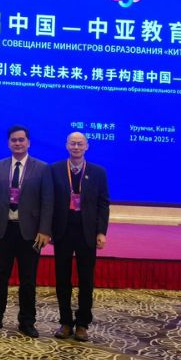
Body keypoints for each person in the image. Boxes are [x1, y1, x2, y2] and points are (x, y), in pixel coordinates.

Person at [0, 125, 53, 337]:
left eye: (21, 140)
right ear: (8, 143)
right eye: (14, 140)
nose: (18, 143)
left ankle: (27, 322)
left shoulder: (42, 168)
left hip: (30, 233)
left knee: (28, 280)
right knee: (0, 277)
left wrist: (44, 230)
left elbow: (47, 202)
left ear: (28, 142)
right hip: (4, 230)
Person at [50, 132, 110, 342]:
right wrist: (48, 230)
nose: (76, 147)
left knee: (86, 280)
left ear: (87, 146)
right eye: (72, 143)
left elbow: (103, 204)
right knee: (62, 279)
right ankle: (65, 322)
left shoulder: (98, 172)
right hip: (62, 232)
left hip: (87, 233)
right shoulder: (55, 170)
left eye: (80, 144)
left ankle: (83, 323)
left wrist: (101, 232)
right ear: (66, 145)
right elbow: (49, 202)